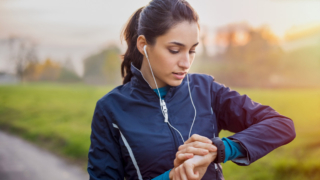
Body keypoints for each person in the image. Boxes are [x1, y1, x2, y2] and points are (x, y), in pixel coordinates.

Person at [87, 0, 296, 179]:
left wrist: (218, 149)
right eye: (175, 50)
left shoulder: (207, 90)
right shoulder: (110, 110)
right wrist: (170, 177)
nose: (186, 62)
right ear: (143, 45)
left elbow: (281, 125)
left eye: (192, 50)